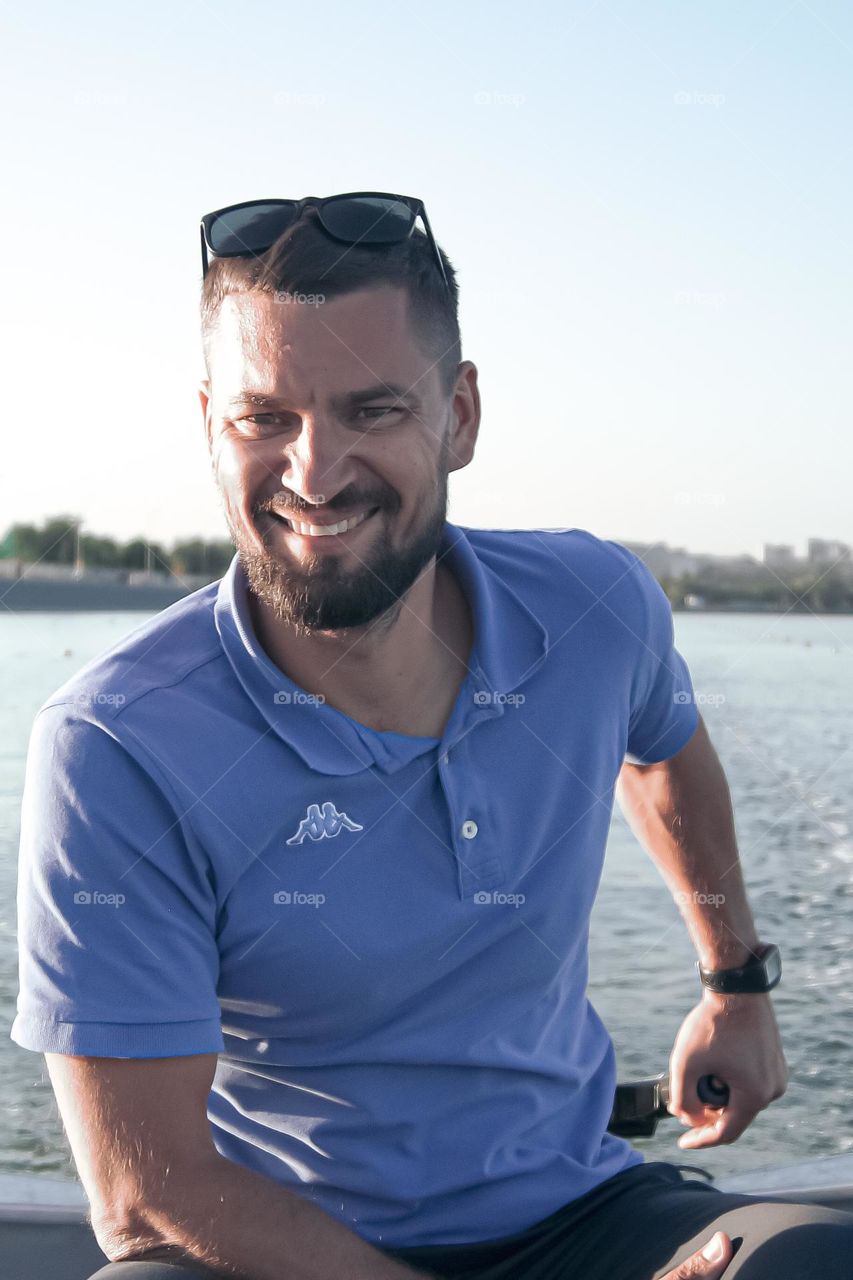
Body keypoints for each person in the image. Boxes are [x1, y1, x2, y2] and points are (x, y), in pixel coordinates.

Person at [11, 194, 853, 1279]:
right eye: (264, 417)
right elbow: (147, 1190)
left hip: (581, 1216)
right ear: (211, 423)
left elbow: (661, 746)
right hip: (278, 1249)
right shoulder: (114, 743)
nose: (314, 474)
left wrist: (735, 983)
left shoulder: (593, 605)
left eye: (371, 410)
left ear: (458, 414)